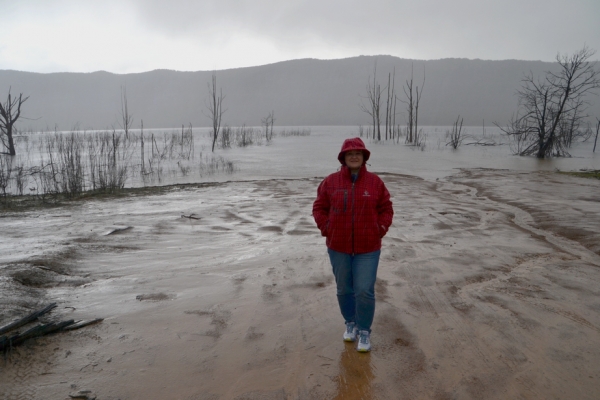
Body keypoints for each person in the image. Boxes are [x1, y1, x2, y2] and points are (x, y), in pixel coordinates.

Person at [312, 137, 393, 352]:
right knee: (344, 289)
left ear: (364, 157)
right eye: (350, 153)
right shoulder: (331, 182)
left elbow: (386, 208)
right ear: (343, 158)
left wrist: (380, 229)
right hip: (338, 247)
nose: (354, 156)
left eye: (358, 153)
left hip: (368, 248)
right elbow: (319, 208)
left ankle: (364, 330)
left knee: (364, 290)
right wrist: (327, 228)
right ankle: (351, 322)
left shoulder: (375, 183)